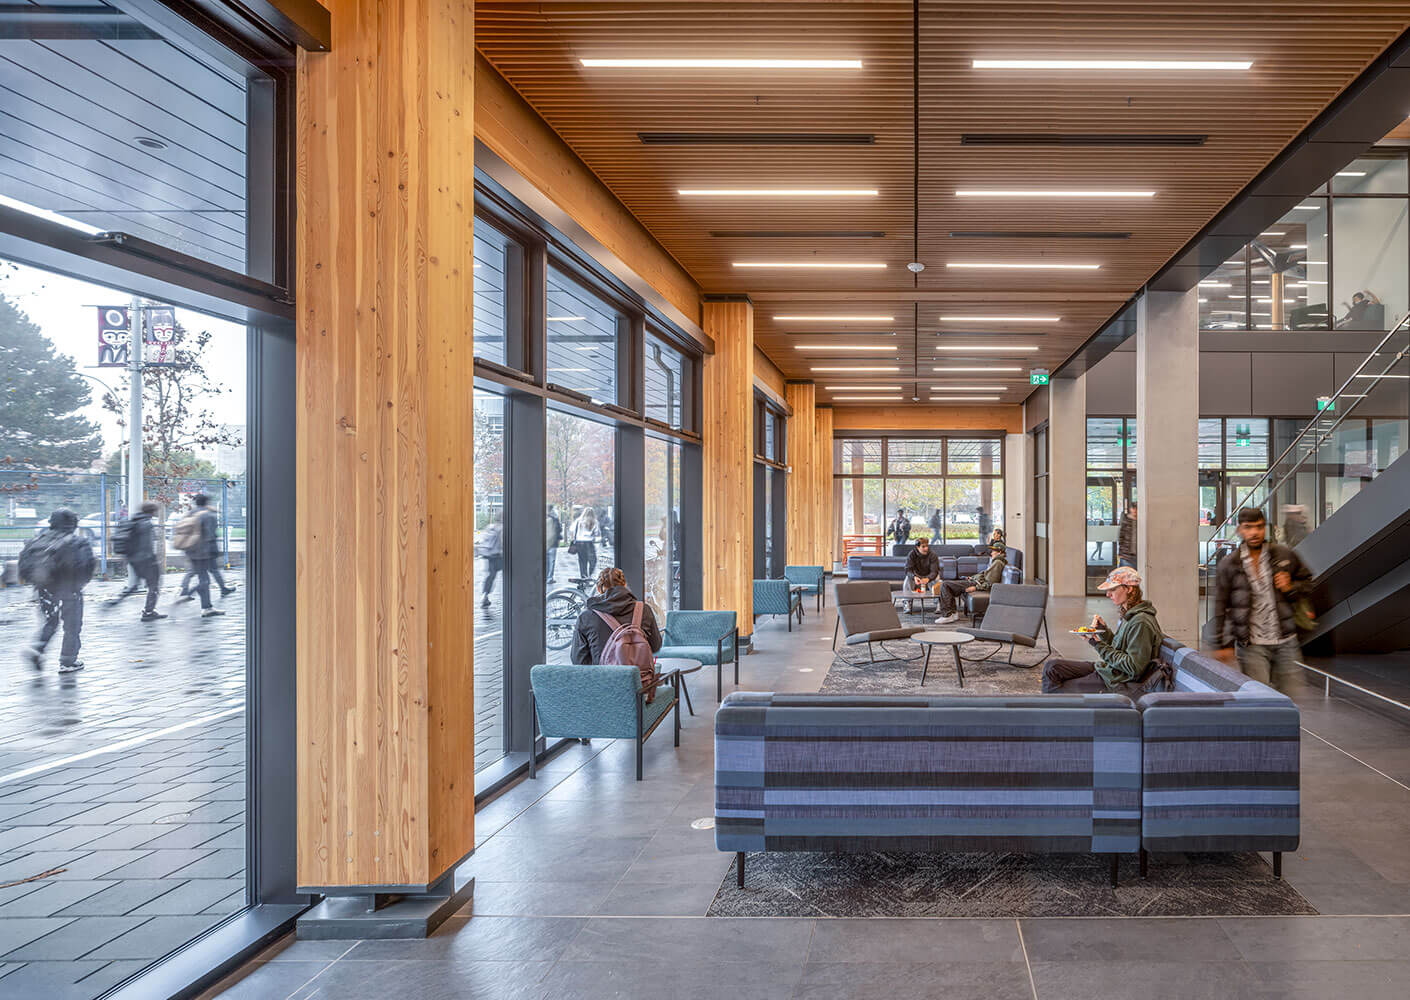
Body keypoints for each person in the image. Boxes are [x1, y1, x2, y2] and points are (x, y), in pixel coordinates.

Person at [1212, 507, 1314, 695]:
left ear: (1265, 528)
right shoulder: (1230, 564)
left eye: (1259, 527)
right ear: (1239, 530)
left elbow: (1308, 583)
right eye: (1248, 527)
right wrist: (1222, 644)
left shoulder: (1284, 555)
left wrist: (1291, 587)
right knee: (1259, 701)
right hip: (1251, 646)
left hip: (1286, 641)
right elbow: (1221, 604)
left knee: (1291, 700)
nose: (1254, 532)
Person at [1042, 566, 1164, 693]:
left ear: (1129, 589)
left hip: (1116, 680)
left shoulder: (1141, 622)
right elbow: (1119, 648)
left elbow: (1133, 667)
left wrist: (1097, 644)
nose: (1108, 594)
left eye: (1113, 589)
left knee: (1057, 689)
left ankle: (1054, 708)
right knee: (1052, 667)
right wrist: (1103, 631)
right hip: (1109, 669)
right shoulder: (1130, 614)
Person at [19, 508, 96, 672]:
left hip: (44, 589)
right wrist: (78, 585)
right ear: (73, 524)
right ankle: (68, 662)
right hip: (70, 589)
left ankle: (37, 649)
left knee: (50, 622)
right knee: (72, 626)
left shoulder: (38, 540)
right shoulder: (77, 542)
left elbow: (24, 566)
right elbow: (87, 566)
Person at [571, 567, 662, 666]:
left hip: (602, 679)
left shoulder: (586, 617)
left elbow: (578, 660)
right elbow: (655, 646)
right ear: (624, 585)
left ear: (598, 588)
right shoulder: (644, 610)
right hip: (639, 679)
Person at [110, 501, 166, 621]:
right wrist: (153, 561)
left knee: (135, 585)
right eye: (155, 510)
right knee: (154, 586)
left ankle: (117, 600)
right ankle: (148, 612)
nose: (156, 512)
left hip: (133, 559)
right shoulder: (147, 524)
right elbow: (147, 546)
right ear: (152, 511)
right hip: (146, 560)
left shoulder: (135, 520)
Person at [176, 500, 236, 603]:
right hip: (205, 551)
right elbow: (210, 535)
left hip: (190, 549)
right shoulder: (207, 515)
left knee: (194, 572)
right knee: (209, 574)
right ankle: (194, 595)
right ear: (206, 502)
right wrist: (215, 550)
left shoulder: (190, 514)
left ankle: (185, 591)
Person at [935, 540, 1007, 625]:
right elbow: (985, 575)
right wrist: (972, 577)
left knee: (945, 584)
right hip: (975, 581)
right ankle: (953, 613)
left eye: (993, 551)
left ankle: (947, 615)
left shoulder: (998, 563)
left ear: (999, 552)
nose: (991, 553)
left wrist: (975, 587)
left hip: (976, 584)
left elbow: (991, 583)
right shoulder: (995, 562)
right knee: (949, 585)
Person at [902, 536, 941, 614]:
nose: (926, 548)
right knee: (907, 579)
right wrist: (914, 577)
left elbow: (934, 571)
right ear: (917, 547)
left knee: (937, 580)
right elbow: (908, 570)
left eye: (927, 546)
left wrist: (928, 578)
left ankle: (939, 604)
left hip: (930, 575)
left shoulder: (933, 555)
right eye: (923, 547)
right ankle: (907, 604)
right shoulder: (912, 554)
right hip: (917, 575)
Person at [569, 506, 602, 579]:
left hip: (579, 542)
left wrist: (574, 538)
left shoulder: (578, 521)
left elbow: (571, 530)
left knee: (582, 561)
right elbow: (597, 533)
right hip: (589, 542)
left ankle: (583, 577)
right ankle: (590, 576)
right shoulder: (595, 522)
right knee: (593, 561)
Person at [478, 516, 504, 609]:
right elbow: (503, 542)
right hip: (497, 555)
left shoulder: (490, 527)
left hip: (488, 555)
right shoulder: (502, 528)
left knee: (491, 576)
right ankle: (485, 596)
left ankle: (485, 596)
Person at [1117, 501, 1137, 569]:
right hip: (1127, 555)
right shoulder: (1126, 520)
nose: (1135, 510)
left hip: (1139, 555)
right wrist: (1121, 553)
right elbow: (1121, 537)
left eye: (1136, 508)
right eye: (1133, 508)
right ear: (1130, 509)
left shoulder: (1142, 520)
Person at [545, 504, 562, 583]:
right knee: (551, 561)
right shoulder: (555, 519)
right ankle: (549, 578)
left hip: (543, 544)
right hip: (552, 544)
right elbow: (559, 529)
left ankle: (545, 577)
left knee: (545, 561)